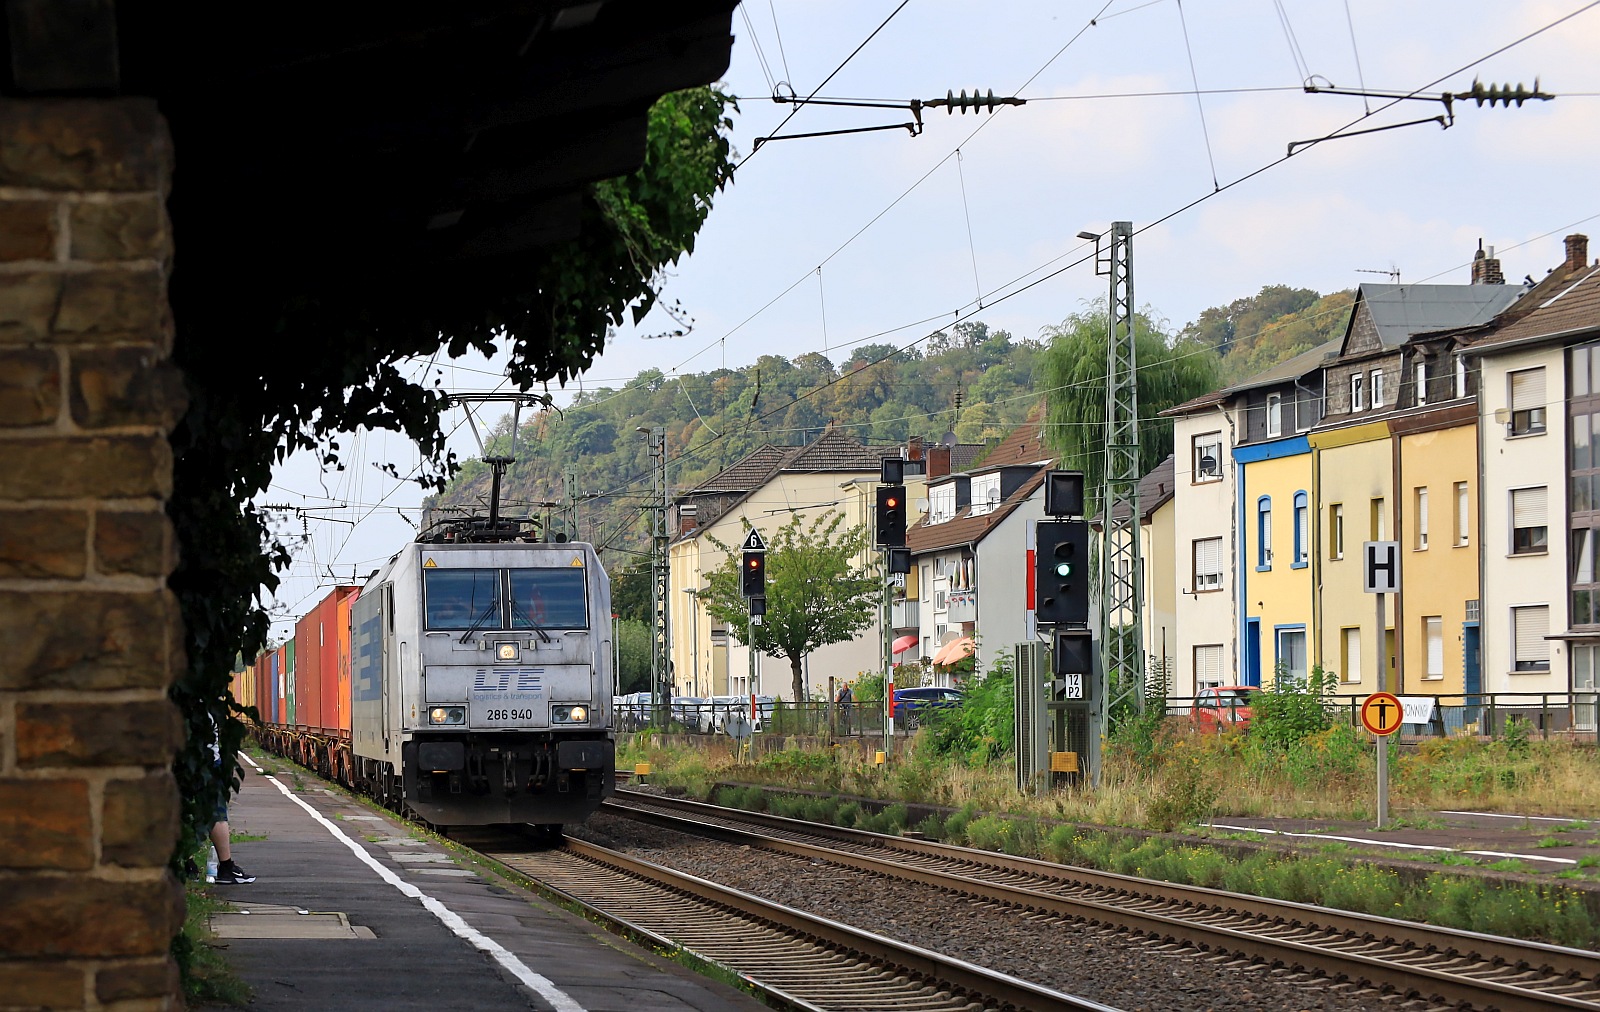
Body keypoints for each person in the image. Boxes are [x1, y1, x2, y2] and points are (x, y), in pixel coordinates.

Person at [209, 718, 255, 884]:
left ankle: (187, 862)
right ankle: (226, 867)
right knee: (217, 814)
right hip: (209, 762)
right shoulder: (206, 702)